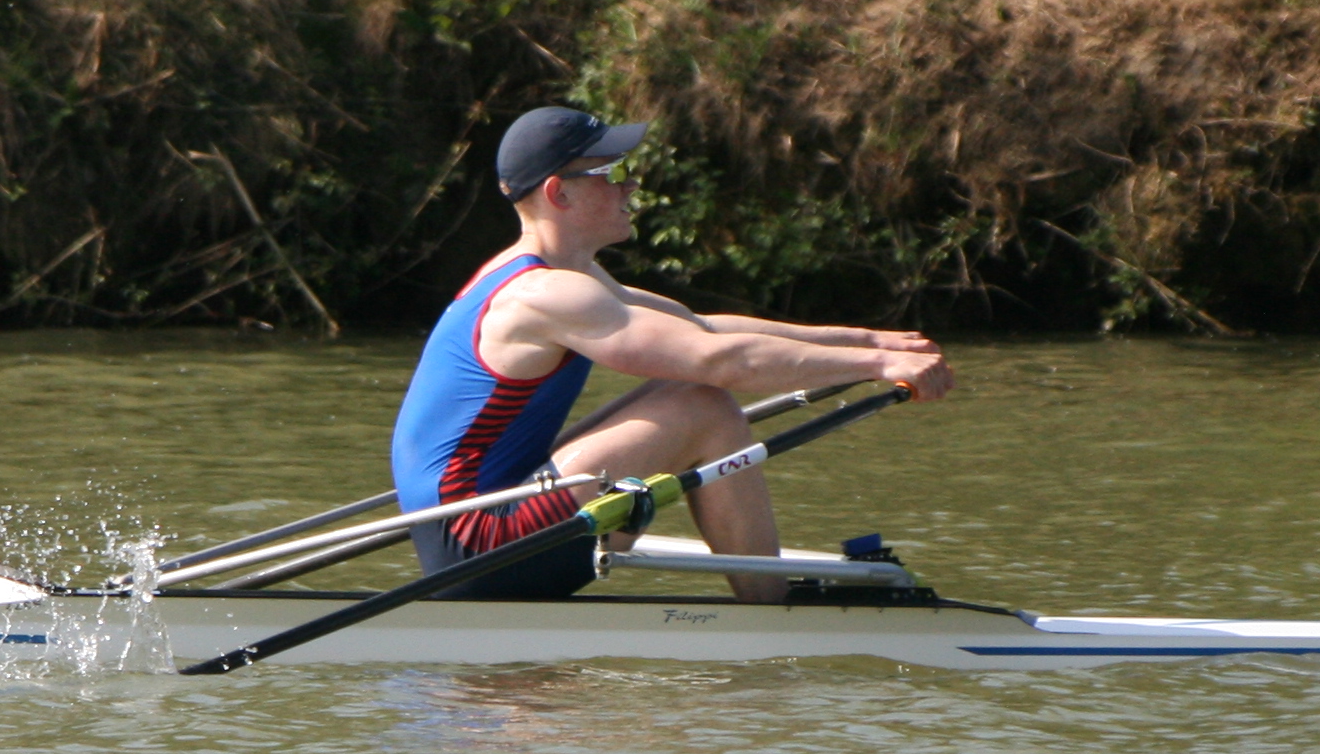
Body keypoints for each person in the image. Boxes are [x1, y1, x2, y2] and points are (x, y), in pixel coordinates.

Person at [389, 105, 952, 603]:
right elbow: (720, 361)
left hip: (482, 526)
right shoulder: (544, 295)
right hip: (481, 546)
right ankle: (774, 605)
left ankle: (769, 595)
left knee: (687, 393)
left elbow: (699, 327)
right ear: (559, 192)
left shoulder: (561, 275)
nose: (631, 186)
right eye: (614, 173)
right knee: (703, 403)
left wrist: (870, 342)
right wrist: (880, 369)